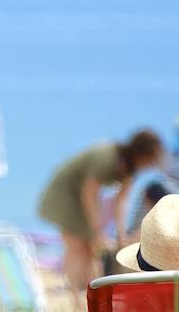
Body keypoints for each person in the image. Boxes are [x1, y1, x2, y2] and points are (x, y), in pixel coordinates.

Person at [36, 129, 165, 300]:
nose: (151, 164)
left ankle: (96, 297)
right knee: (76, 247)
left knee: (91, 250)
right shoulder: (107, 159)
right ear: (142, 153)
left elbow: (121, 200)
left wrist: (120, 234)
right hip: (65, 194)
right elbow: (89, 192)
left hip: (81, 197)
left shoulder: (130, 168)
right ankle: (75, 298)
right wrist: (97, 230)